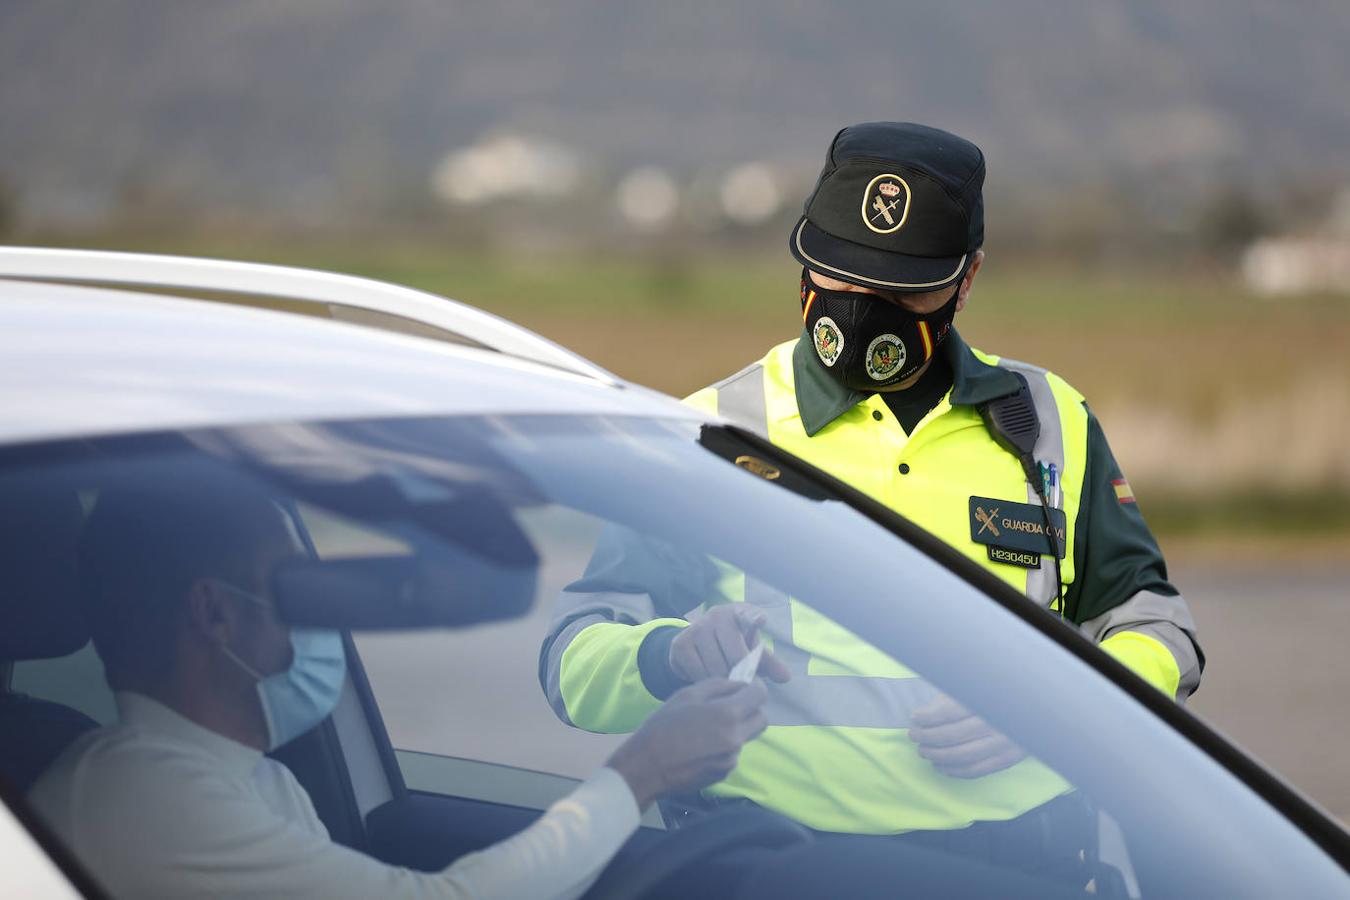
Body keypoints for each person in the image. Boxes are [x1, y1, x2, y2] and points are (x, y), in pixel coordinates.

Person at [540, 122, 1202, 875]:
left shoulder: (1051, 424)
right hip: (776, 868)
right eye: (843, 275)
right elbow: (571, 661)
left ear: (967, 278)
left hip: (1015, 869)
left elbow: (1158, 630)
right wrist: (669, 656)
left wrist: (1057, 712)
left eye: (900, 286)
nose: (860, 308)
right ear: (803, 263)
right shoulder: (711, 432)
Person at [28, 468, 768, 899]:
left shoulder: (247, 782)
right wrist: (639, 776)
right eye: (300, 584)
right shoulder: (142, 795)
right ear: (215, 613)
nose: (321, 614)